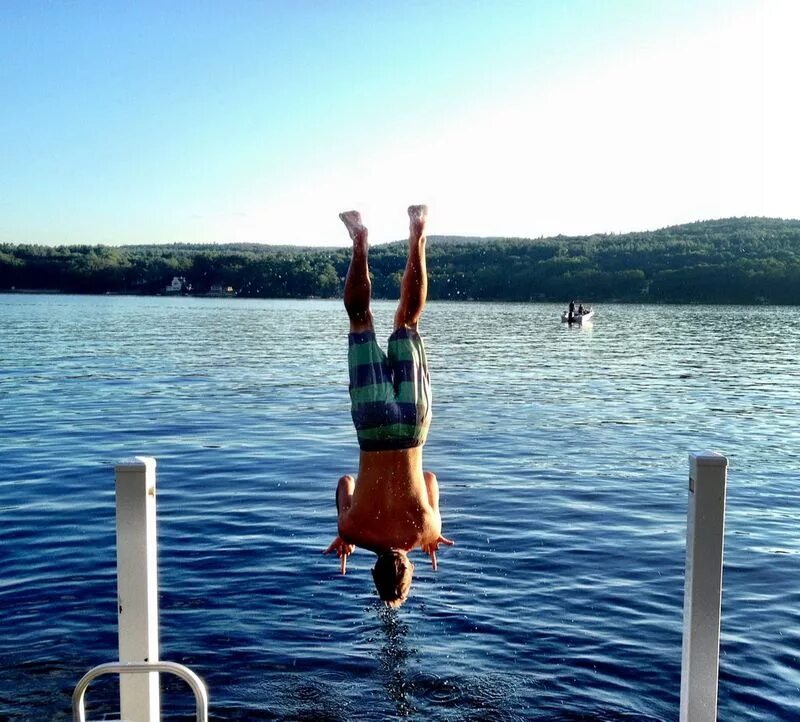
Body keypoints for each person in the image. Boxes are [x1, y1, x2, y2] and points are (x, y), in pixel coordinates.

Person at [324, 205, 453, 608]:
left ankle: (417, 233)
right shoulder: (354, 530)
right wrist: (344, 534)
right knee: (360, 320)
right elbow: (346, 482)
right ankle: (360, 239)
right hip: (373, 428)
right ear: (373, 573)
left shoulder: (427, 530)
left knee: (408, 322)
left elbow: (429, 479)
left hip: (412, 428)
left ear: (408, 573)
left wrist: (427, 534)